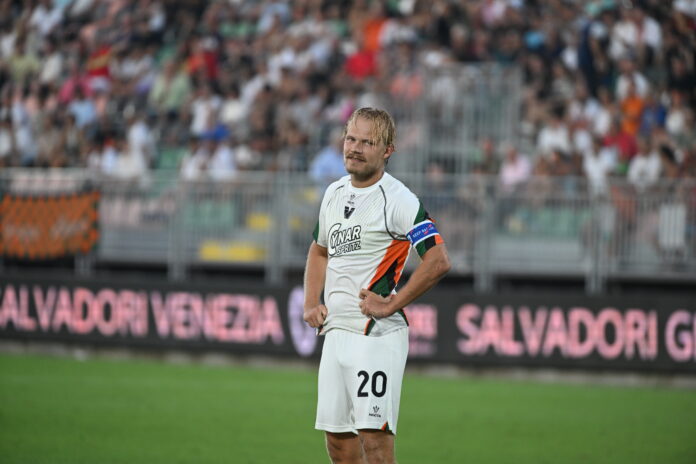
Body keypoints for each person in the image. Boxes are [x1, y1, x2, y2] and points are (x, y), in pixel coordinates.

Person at [303, 107, 451, 464]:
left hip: (375, 335)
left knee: (375, 444)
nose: (354, 147)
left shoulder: (399, 199)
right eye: (350, 138)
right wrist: (311, 301)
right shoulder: (334, 193)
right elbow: (319, 250)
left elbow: (438, 260)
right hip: (335, 332)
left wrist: (391, 304)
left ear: (388, 150)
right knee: (338, 444)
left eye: (367, 142)